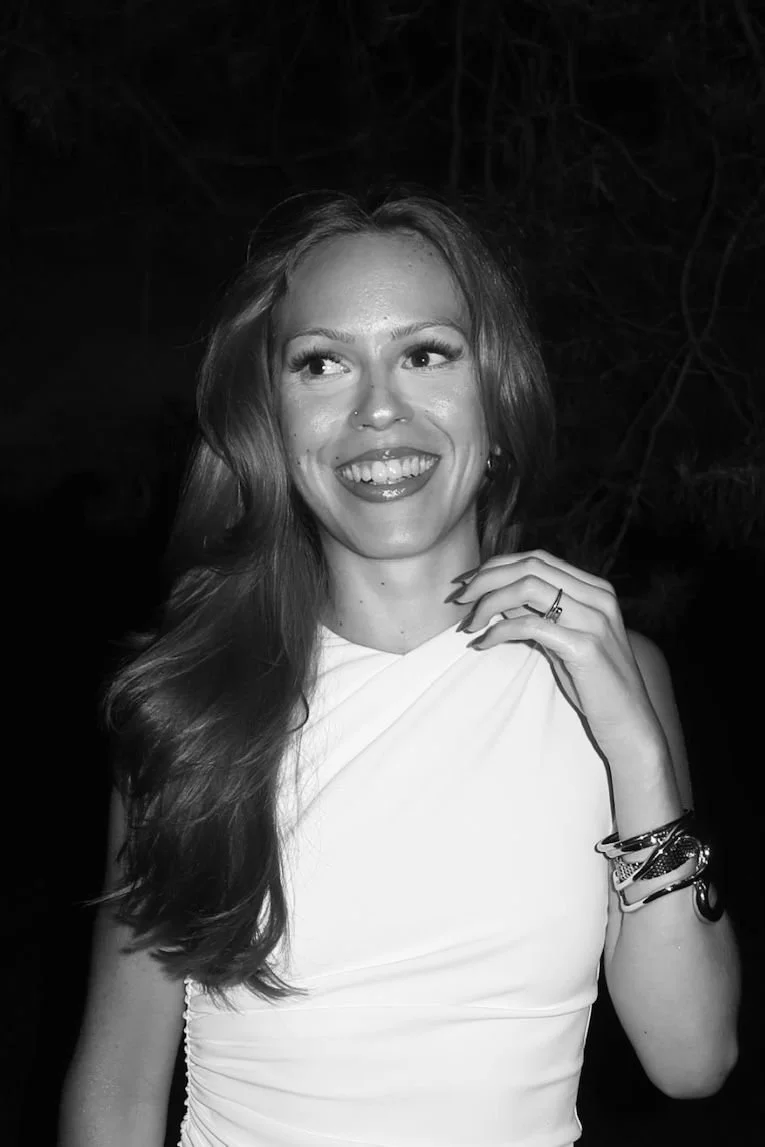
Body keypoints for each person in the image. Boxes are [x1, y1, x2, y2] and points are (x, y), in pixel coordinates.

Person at [59, 190, 741, 1147]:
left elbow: (692, 1057)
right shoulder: (192, 703)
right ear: (272, 424)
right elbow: (117, 1093)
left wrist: (636, 750)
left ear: (496, 401)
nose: (378, 408)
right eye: (321, 363)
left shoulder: (612, 676)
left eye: (425, 353)